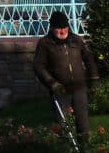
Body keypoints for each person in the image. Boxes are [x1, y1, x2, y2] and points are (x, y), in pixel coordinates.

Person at [33, 12, 95, 142]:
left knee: (83, 123)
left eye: (64, 27)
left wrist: (94, 77)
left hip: (79, 88)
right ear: (51, 28)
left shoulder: (77, 40)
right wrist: (52, 84)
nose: (62, 31)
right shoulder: (45, 43)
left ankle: (87, 152)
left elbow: (88, 59)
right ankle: (66, 152)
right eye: (58, 28)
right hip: (60, 90)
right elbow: (39, 66)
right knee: (62, 124)